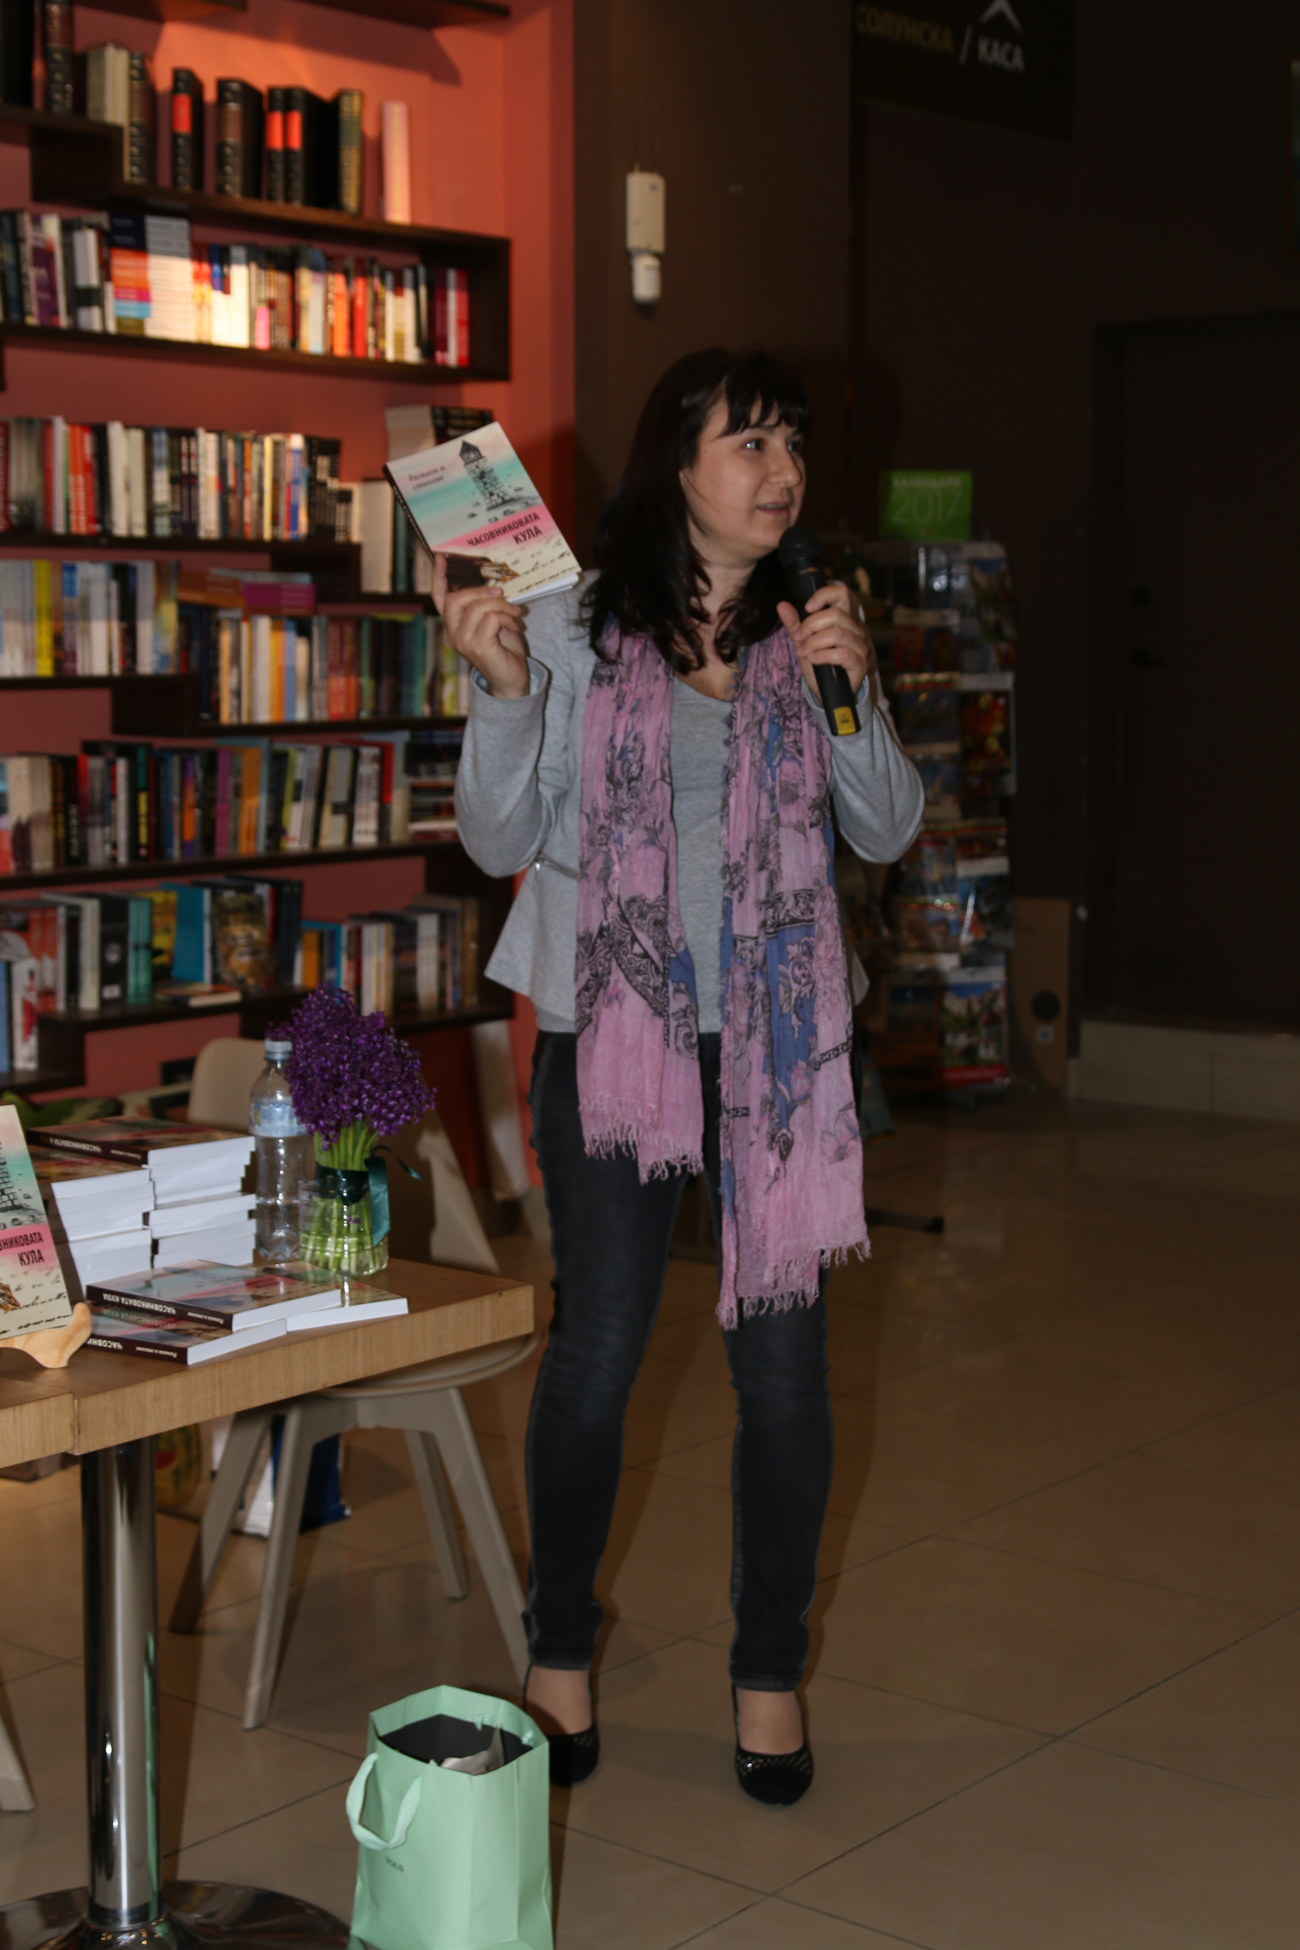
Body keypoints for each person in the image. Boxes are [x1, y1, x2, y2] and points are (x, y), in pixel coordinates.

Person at [436, 347, 924, 1806]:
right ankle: (558, 1651)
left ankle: (769, 1667)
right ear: (677, 463)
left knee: (783, 1374)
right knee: (597, 1349)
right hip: (610, 1029)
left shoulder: (810, 624)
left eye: (792, 444)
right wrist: (503, 692)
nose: (782, 471)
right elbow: (495, 836)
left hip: (778, 1048)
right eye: (749, 442)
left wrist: (852, 691)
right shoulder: (572, 624)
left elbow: (886, 828)